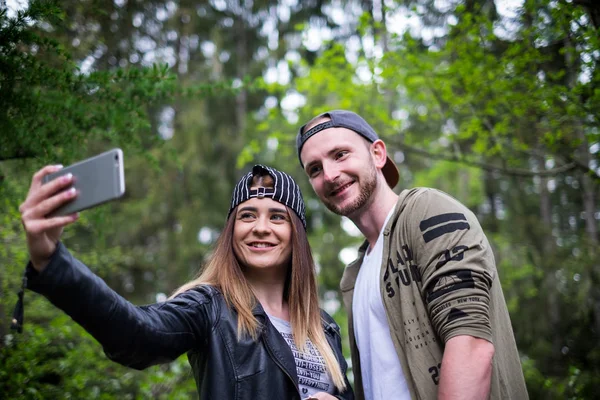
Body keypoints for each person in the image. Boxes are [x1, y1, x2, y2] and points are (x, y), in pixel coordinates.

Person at [17, 163, 354, 400]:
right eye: (247, 215)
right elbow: (137, 335)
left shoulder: (323, 328)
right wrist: (52, 261)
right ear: (231, 232)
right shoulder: (210, 307)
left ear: (296, 234)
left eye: (277, 217)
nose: (260, 228)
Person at [295, 110, 528, 400]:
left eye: (340, 154)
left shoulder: (428, 212)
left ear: (378, 154)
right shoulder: (355, 274)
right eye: (315, 169)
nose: (329, 175)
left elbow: (471, 345)